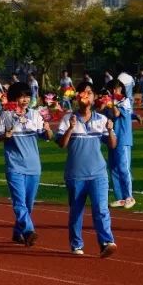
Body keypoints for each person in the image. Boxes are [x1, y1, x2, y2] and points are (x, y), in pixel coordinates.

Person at [56, 82, 118, 257]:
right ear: (77, 97)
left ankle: (106, 242)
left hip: (98, 173)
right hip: (75, 175)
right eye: (82, 93)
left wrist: (110, 130)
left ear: (94, 97)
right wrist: (70, 128)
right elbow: (61, 144)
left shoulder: (102, 119)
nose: (86, 95)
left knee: (101, 209)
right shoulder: (68, 118)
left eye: (89, 93)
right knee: (76, 211)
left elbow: (113, 145)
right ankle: (76, 244)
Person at [0, 82, 54, 247]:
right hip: (15, 166)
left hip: (34, 167)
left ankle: (17, 232)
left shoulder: (35, 114)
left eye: (27, 96)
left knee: (28, 205)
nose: (25, 100)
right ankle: (29, 231)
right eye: (21, 96)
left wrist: (48, 129)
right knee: (19, 203)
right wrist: (4, 136)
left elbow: (47, 136)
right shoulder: (6, 116)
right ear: (13, 98)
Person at [105, 80, 141, 209]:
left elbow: (116, 113)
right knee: (113, 168)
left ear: (120, 88)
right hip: (112, 138)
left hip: (123, 139)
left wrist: (111, 103)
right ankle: (120, 198)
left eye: (115, 89)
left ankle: (129, 197)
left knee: (123, 168)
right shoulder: (110, 102)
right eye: (111, 90)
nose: (113, 92)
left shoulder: (124, 100)